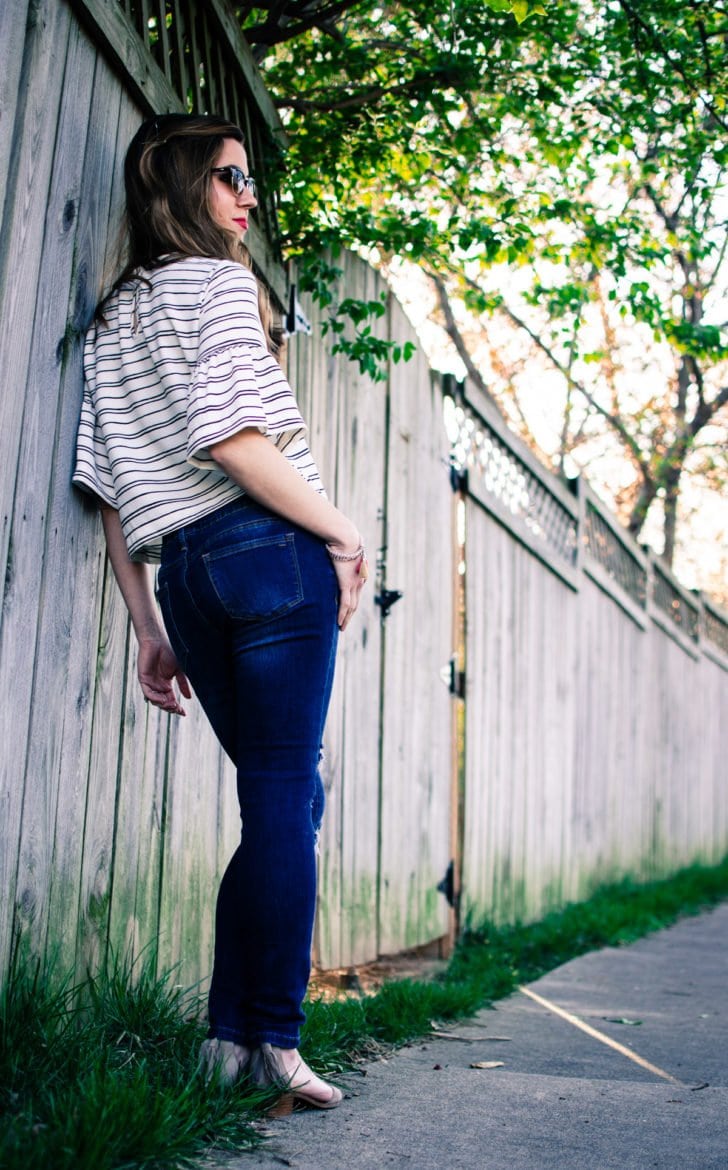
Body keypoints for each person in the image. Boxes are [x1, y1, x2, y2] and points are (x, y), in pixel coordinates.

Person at [73, 113, 368, 1110]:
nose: (247, 198)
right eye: (230, 179)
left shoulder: (114, 318)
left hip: (187, 577)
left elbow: (109, 490)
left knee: (280, 803)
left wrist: (149, 629)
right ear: (183, 190)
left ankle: (226, 1041)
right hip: (267, 551)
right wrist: (340, 533)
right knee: (285, 797)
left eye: (249, 182)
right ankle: (275, 1042)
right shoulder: (219, 285)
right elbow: (232, 439)